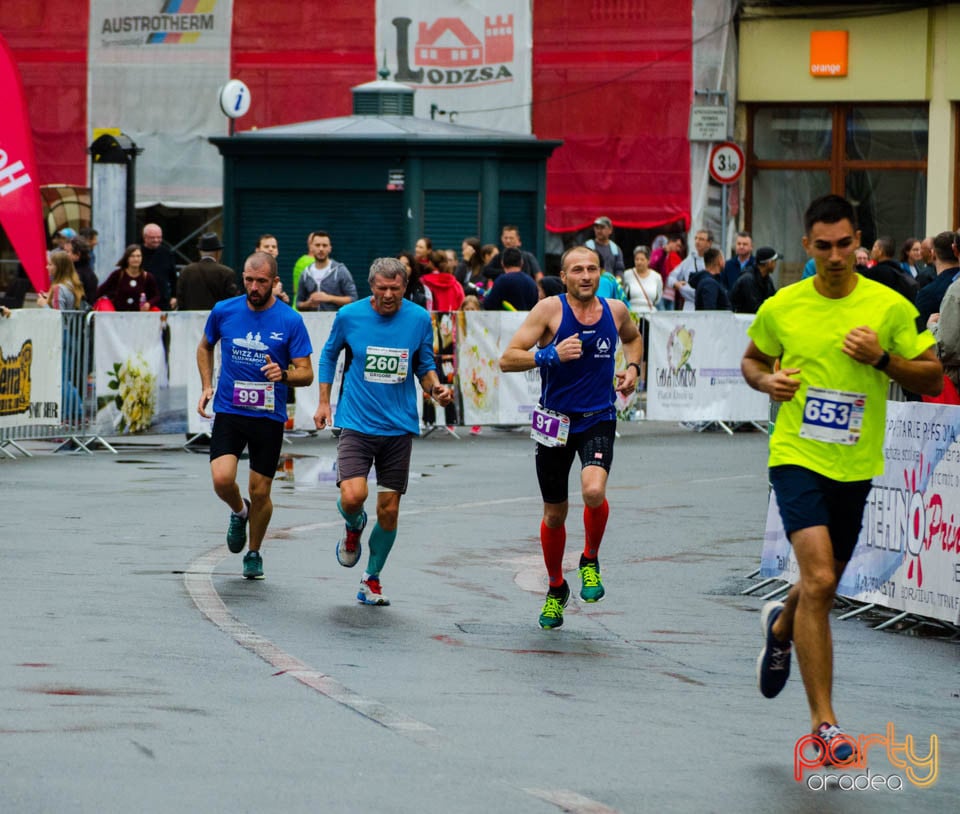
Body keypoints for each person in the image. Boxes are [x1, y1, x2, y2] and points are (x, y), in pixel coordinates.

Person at [741, 194, 941, 763]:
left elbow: (929, 377)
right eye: (823, 246)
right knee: (823, 579)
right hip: (796, 456)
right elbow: (753, 359)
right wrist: (766, 384)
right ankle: (825, 724)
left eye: (845, 244)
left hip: (855, 466)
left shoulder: (888, 306)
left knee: (819, 586)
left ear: (861, 244)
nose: (835, 256)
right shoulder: (784, 306)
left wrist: (882, 360)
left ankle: (781, 628)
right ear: (808, 246)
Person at [499, 246, 642, 629]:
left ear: (601, 274)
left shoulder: (615, 310)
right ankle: (556, 587)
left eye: (592, 269)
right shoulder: (548, 311)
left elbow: (633, 338)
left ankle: (590, 560)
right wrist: (550, 356)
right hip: (554, 422)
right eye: (577, 269)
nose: (585, 275)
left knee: (594, 491)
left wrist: (633, 366)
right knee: (555, 513)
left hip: (598, 416)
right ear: (563, 276)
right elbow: (507, 358)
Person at [313, 257, 454, 606]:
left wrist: (435, 387)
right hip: (357, 422)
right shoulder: (350, 316)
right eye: (382, 288)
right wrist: (324, 402)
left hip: (398, 425)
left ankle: (370, 579)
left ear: (405, 287)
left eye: (395, 288)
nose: (389, 295)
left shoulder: (419, 319)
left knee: (389, 510)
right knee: (352, 496)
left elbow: (425, 364)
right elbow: (329, 355)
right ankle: (354, 524)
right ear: (371, 286)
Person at [197, 251, 314, 579]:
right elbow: (205, 346)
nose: (254, 287)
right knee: (222, 479)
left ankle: (254, 551)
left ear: (274, 282)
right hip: (230, 410)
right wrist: (207, 385)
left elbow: (306, 372)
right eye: (249, 280)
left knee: (261, 490)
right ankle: (239, 511)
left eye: (262, 281)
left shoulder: (290, 320)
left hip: (267, 416)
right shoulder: (224, 311)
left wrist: (286, 375)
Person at [296, 231, 357, 312]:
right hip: (312, 322)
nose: (321, 249)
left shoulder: (340, 271)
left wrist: (329, 298)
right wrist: (308, 303)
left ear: (330, 248)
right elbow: (298, 303)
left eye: (324, 245)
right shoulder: (305, 273)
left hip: (336, 322)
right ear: (311, 248)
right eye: (317, 245)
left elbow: (353, 299)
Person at [176, 233, 237, 311]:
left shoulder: (185, 271)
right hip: (217, 321)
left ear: (200, 252)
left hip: (191, 321)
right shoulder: (226, 272)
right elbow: (231, 302)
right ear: (218, 252)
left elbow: (180, 302)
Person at [96, 245, 161, 311]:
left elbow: (156, 296)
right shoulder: (118, 274)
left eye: (138, 256)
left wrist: (149, 303)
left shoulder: (147, 276)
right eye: (132, 256)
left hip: (139, 316)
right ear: (127, 258)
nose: (136, 259)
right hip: (118, 315)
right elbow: (101, 290)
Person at [669, 228, 713, 311]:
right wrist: (675, 284)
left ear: (709, 243)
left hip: (707, 306)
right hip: (689, 305)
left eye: (701, 239)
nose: (697, 241)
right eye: (696, 238)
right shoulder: (689, 259)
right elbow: (671, 277)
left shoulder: (714, 259)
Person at [731, 246, 778, 314]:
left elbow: (773, 299)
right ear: (769, 263)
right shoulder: (748, 280)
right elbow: (753, 307)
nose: (775, 264)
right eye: (774, 261)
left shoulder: (767, 280)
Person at [140, 224, 177, 310]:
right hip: (143, 301)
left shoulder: (167, 253)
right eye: (152, 238)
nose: (156, 240)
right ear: (145, 237)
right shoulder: (137, 254)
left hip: (163, 300)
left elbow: (173, 278)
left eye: (159, 237)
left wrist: (174, 296)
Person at [255, 234, 288, 304]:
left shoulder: (276, 272)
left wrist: (282, 299)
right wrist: (271, 294)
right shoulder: (251, 271)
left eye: (274, 247)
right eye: (266, 247)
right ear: (257, 250)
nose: (271, 249)